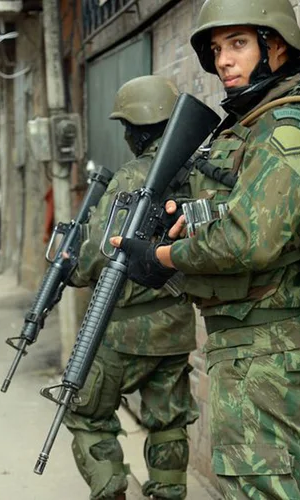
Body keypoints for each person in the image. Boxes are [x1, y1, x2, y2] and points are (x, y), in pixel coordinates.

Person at [113, 0, 300, 497]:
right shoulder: (253, 122)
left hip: (273, 344)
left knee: (262, 488)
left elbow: (250, 239)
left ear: (276, 45)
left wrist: (162, 260)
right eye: (217, 49)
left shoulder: (292, 124)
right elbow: (230, 218)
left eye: (238, 44)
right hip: (249, 340)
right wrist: (176, 233)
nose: (223, 61)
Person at [65, 75, 199, 500]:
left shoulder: (128, 179)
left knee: (87, 415)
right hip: (175, 328)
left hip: (120, 331)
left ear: (134, 131)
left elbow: (97, 254)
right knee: (169, 422)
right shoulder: (197, 175)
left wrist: (73, 267)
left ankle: (113, 493)